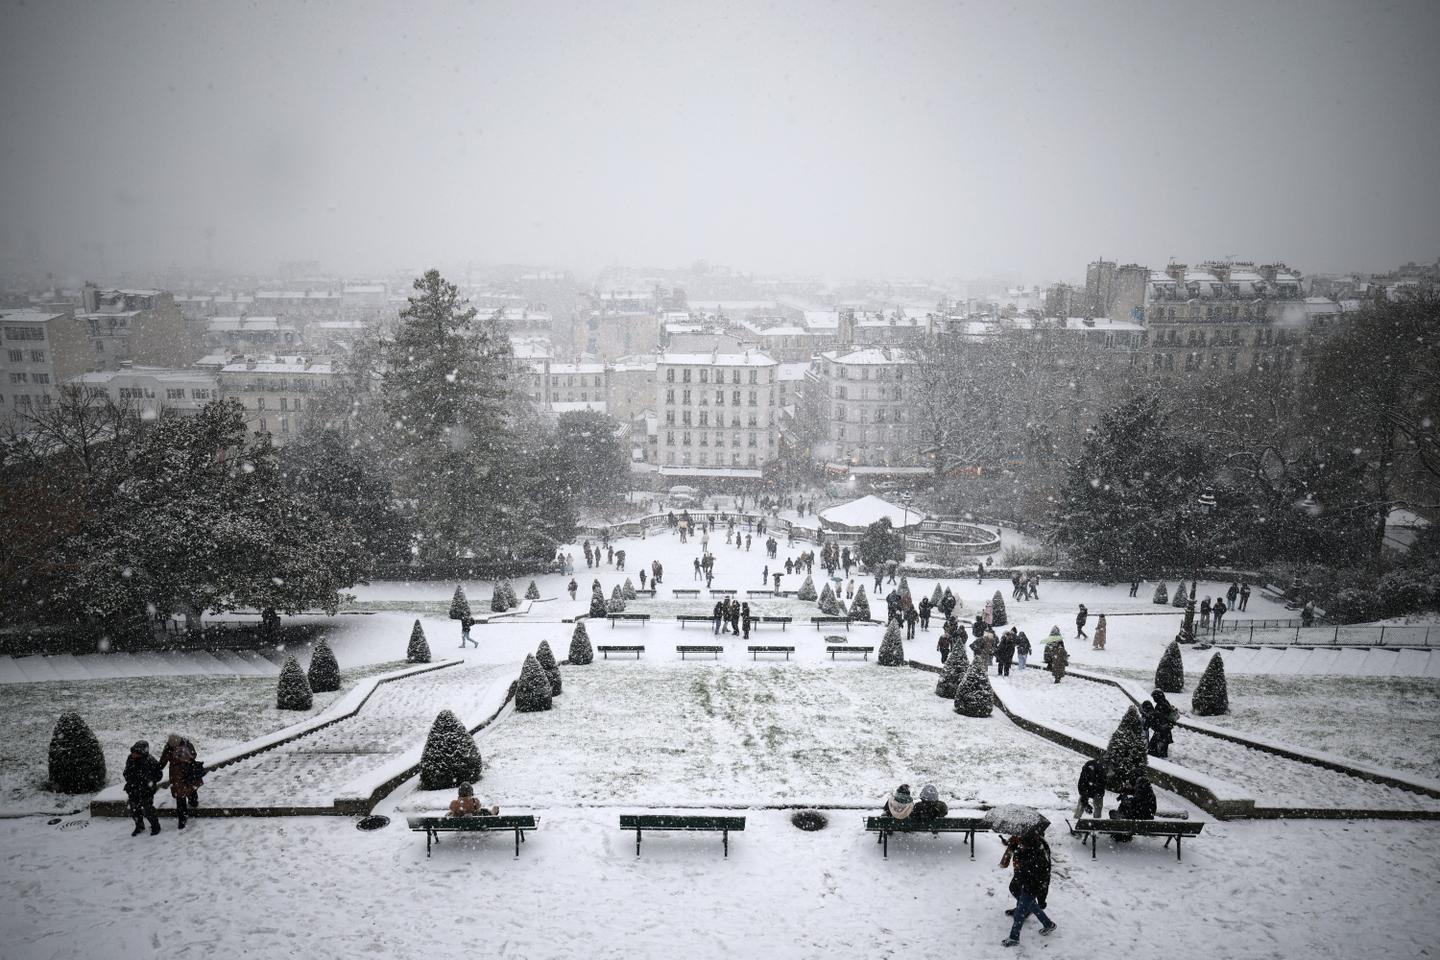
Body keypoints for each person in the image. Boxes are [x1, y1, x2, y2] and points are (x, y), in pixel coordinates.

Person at [1000, 830, 1056, 946]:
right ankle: (1048, 924)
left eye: (1023, 844)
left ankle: (1014, 938)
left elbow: (1044, 880)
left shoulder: (1038, 859)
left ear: (1029, 844)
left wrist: (1042, 899)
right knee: (1031, 905)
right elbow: (1022, 861)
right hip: (1027, 886)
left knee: (1019, 914)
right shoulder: (1030, 851)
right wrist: (1016, 849)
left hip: (1031, 889)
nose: (1021, 846)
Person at [158, 734, 202, 829]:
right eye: (173, 745)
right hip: (177, 774)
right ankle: (182, 818)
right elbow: (162, 762)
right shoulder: (169, 748)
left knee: (190, 789)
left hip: (186, 771)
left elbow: (194, 754)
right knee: (181, 796)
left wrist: (185, 757)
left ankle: (193, 803)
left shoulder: (186, 744)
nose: (174, 747)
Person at [124, 740, 163, 837]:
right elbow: (126, 772)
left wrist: (149, 780)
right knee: (134, 809)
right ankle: (139, 826)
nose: (134, 754)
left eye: (136, 752)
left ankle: (155, 826)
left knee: (148, 809)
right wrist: (129, 777)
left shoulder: (150, 760)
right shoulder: (130, 759)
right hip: (133, 789)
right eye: (133, 752)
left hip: (146, 790)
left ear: (142, 752)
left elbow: (159, 775)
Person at [1072, 757, 1107, 823]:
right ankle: (1075, 821)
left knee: (1098, 806)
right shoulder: (1087, 770)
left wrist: (1099, 795)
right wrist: (1085, 803)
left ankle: (1096, 822)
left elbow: (1101, 787)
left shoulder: (1102, 773)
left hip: (1096, 790)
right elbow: (1082, 786)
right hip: (1087, 788)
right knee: (1081, 805)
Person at [1148, 689, 1177, 758]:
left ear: (1157, 697)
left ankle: (1158, 758)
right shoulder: (1165, 702)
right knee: (1162, 746)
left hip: (1162, 729)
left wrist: (1153, 716)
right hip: (1165, 729)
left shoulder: (1161, 705)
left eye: (1154, 698)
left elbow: (1160, 717)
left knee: (1153, 747)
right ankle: (1161, 754)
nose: (1154, 699)